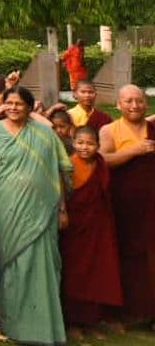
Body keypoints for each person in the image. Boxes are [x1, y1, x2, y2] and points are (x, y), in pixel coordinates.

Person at [0, 85, 71, 346]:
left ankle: (44, 323)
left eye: (19, 103)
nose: (13, 107)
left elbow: (57, 172)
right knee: (12, 262)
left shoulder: (44, 133)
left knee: (43, 263)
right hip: (6, 206)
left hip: (44, 208)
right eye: (9, 103)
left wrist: (62, 207)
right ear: (2, 105)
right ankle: (15, 322)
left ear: (30, 107)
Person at [98, 83, 155, 321]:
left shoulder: (152, 127)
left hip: (152, 204)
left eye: (139, 100)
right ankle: (130, 312)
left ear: (146, 103)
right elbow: (103, 160)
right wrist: (134, 151)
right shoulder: (109, 130)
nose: (134, 105)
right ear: (118, 105)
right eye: (129, 101)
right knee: (129, 255)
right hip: (126, 206)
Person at [61, 126, 123, 337]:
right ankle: (73, 322)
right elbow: (62, 195)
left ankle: (92, 321)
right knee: (74, 272)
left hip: (97, 226)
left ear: (98, 145)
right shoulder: (68, 164)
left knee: (97, 271)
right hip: (75, 228)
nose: (84, 147)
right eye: (80, 143)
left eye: (90, 144)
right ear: (73, 142)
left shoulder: (101, 164)